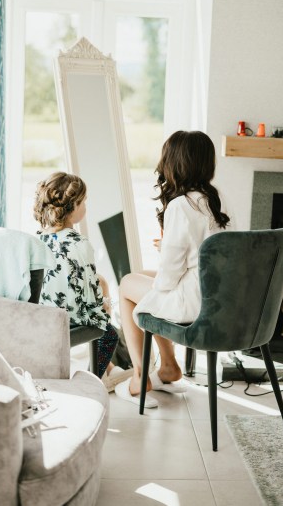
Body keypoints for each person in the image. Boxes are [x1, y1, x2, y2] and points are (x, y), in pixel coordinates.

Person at [115, 130, 230, 408]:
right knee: (142, 277)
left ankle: (140, 377)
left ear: (174, 163)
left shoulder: (180, 205)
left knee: (127, 285)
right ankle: (168, 367)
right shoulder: (217, 198)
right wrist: (169, 248)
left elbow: (167, 280)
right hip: (218, 295)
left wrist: (167, 250)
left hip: (193, 302)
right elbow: (206, 251)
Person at [33, 171, 120, 381]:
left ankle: (108, 368)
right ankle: (93, 379)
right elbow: (88, 298)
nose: (85, 207)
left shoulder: (38, 239)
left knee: (101, 281)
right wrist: (105, 308)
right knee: (110, 334)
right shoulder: (80, 244)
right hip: (65, 320)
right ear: (73, 207)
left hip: (42, 315)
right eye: (84, 202)